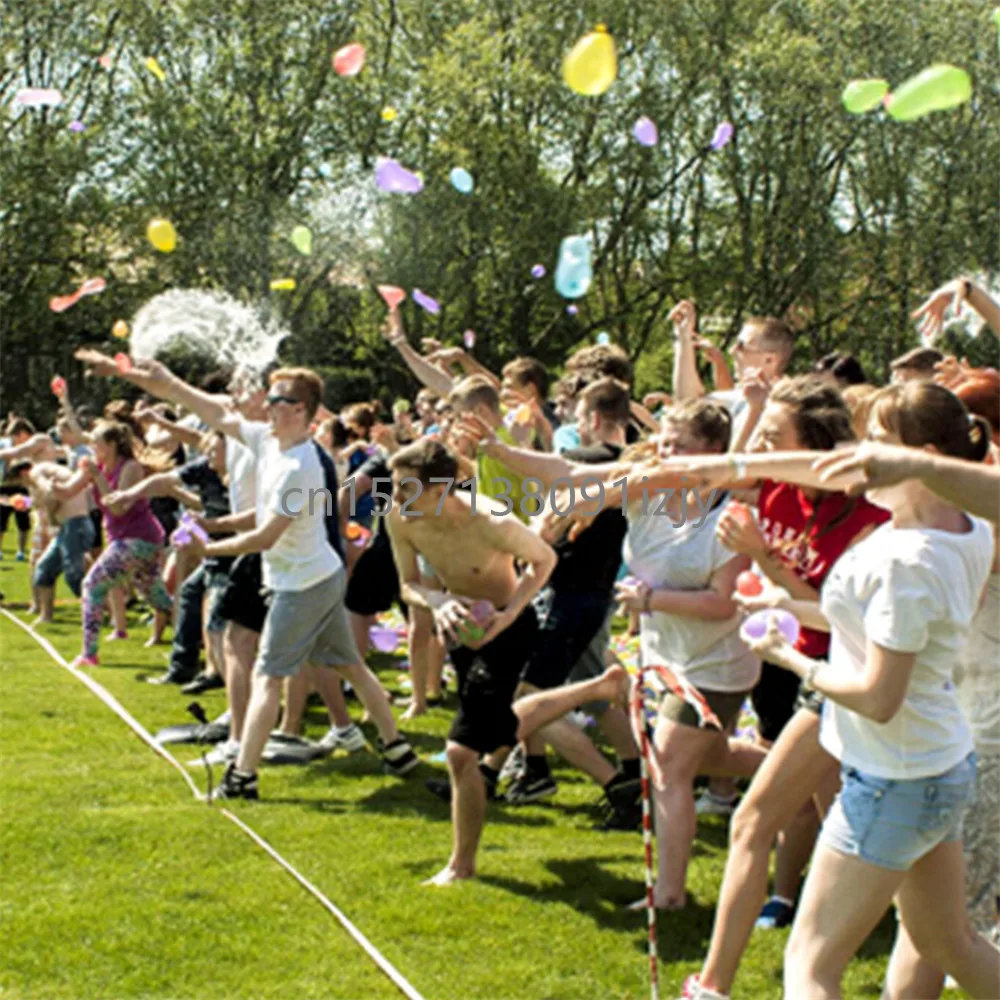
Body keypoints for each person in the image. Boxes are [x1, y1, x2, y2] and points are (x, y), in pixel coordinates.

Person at [734, 382, 1000, 1000]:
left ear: (922, 456)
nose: (861, 452)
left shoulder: (904, 558)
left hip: (894, 778)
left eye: (878, 439)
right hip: (938, 766)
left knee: (809, 965)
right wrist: (790, 603)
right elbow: (890, 628)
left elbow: (879, 695)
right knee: (948, 943)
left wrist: (790, 662)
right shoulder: (967, 529)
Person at [123, 359, 419, 798]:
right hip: (313, 576)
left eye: (278, 399)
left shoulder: (302, 466)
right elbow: (216, 414)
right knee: (351, 667)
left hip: (303, 585)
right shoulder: (269, 440)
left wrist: (208, 548)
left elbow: (266, 535)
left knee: (267, 677)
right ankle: (397, 749)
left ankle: (242, 777)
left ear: (300, 410)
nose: (268, 404)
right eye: (270, 396)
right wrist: (166, 383)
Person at [613, 399, 768, 911]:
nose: (666, 452)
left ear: (713, 454)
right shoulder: (655, 499)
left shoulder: (731, 518)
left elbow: (724, 604)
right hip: (665, 654)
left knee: (668, 767)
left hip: (715, 663)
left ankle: (670, 894)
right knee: (709, 758)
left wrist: (650, 600)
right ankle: (809, 773)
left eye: (679, 445)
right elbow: (579, 485)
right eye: (663, 441)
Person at [458, 377, 638, 807]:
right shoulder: (634, 466)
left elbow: (550, 494)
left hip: (568, 597)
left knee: (528, 697)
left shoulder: (584, 460)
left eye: (578, 417)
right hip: (597, 596)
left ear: (593, 418)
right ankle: (634, 767)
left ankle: (611, 783)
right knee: (596, 692)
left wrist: (502, 452)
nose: (577, 425)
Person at [385, 438, 557, 884]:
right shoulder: (399, 518)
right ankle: (597, 691)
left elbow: (544, 558)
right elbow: (407, 584)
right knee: (497, 730)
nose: (396, 497)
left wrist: (511, 614)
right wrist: (437, 600)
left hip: (508, 630)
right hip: (460, 631)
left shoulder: (489, 519)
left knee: (461, 751)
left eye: (407, 488)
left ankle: (461, 866)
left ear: (440, 488)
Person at [49, 420, 173, 665]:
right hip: (122, 539)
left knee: (92, 585)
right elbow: (66, 491)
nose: (92, 446)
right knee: (157, 599)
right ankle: (194, 631)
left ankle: (89, 653)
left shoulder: (131, 468)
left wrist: (97, 476)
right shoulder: (95, 467)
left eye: (97, 442)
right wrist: (46, 482)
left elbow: (117, 508)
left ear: (112, 444)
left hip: (141, 538)